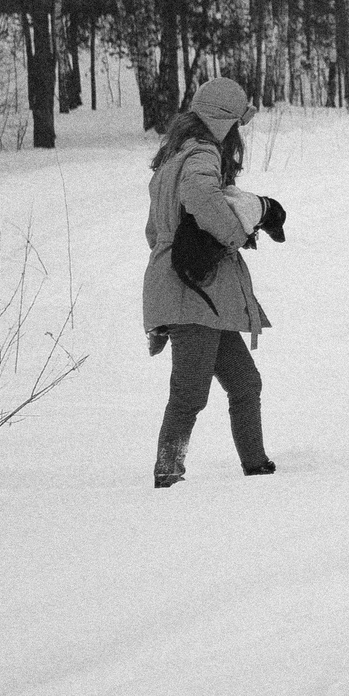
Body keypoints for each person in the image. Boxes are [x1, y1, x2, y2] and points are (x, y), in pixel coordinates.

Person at [143, 77, 285, 486]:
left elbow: (154, 231)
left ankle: (257, 466)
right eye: (238, 123)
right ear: (225, 122)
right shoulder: (202, 152)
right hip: (194, 290)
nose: (239, 134)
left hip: (199, 290)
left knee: (245, 383)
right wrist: (234, 233)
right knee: (189, 393)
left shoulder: (175, 155)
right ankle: (167, 475)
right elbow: (200, 196)